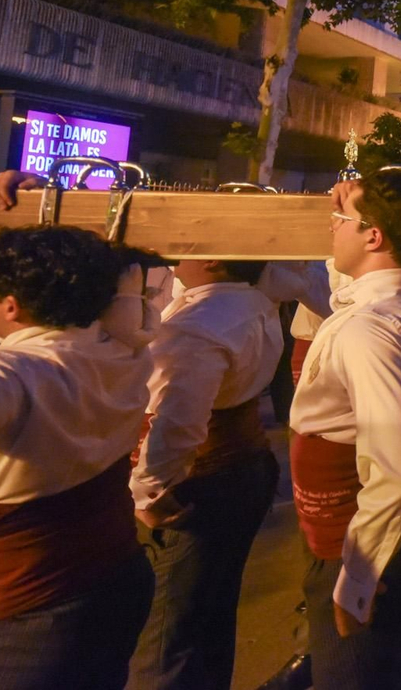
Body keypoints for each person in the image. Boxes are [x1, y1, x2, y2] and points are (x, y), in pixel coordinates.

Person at [288, 171, 401, 689]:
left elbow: (398, 472)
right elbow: (365, 283)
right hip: (346, 525)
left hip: (355, 536)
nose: (331, 226)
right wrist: (358, 208)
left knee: (354, 675)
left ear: (374, 236)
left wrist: (358, 581)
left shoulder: (371, 329)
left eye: (341, 220)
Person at [0, 222, 157, 690]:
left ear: (11, 306)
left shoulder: (11, 374)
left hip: (25, 617)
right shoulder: (122, 348)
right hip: (113, 577)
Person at [127, 256, 282, 690]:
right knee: (211, 616)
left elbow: (178, 423)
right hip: (245, 464)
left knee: (166, 637)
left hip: (199, 482)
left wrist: (148, 492)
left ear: (213, 258)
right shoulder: (253, 301)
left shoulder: (200, 323)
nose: (178, 253)